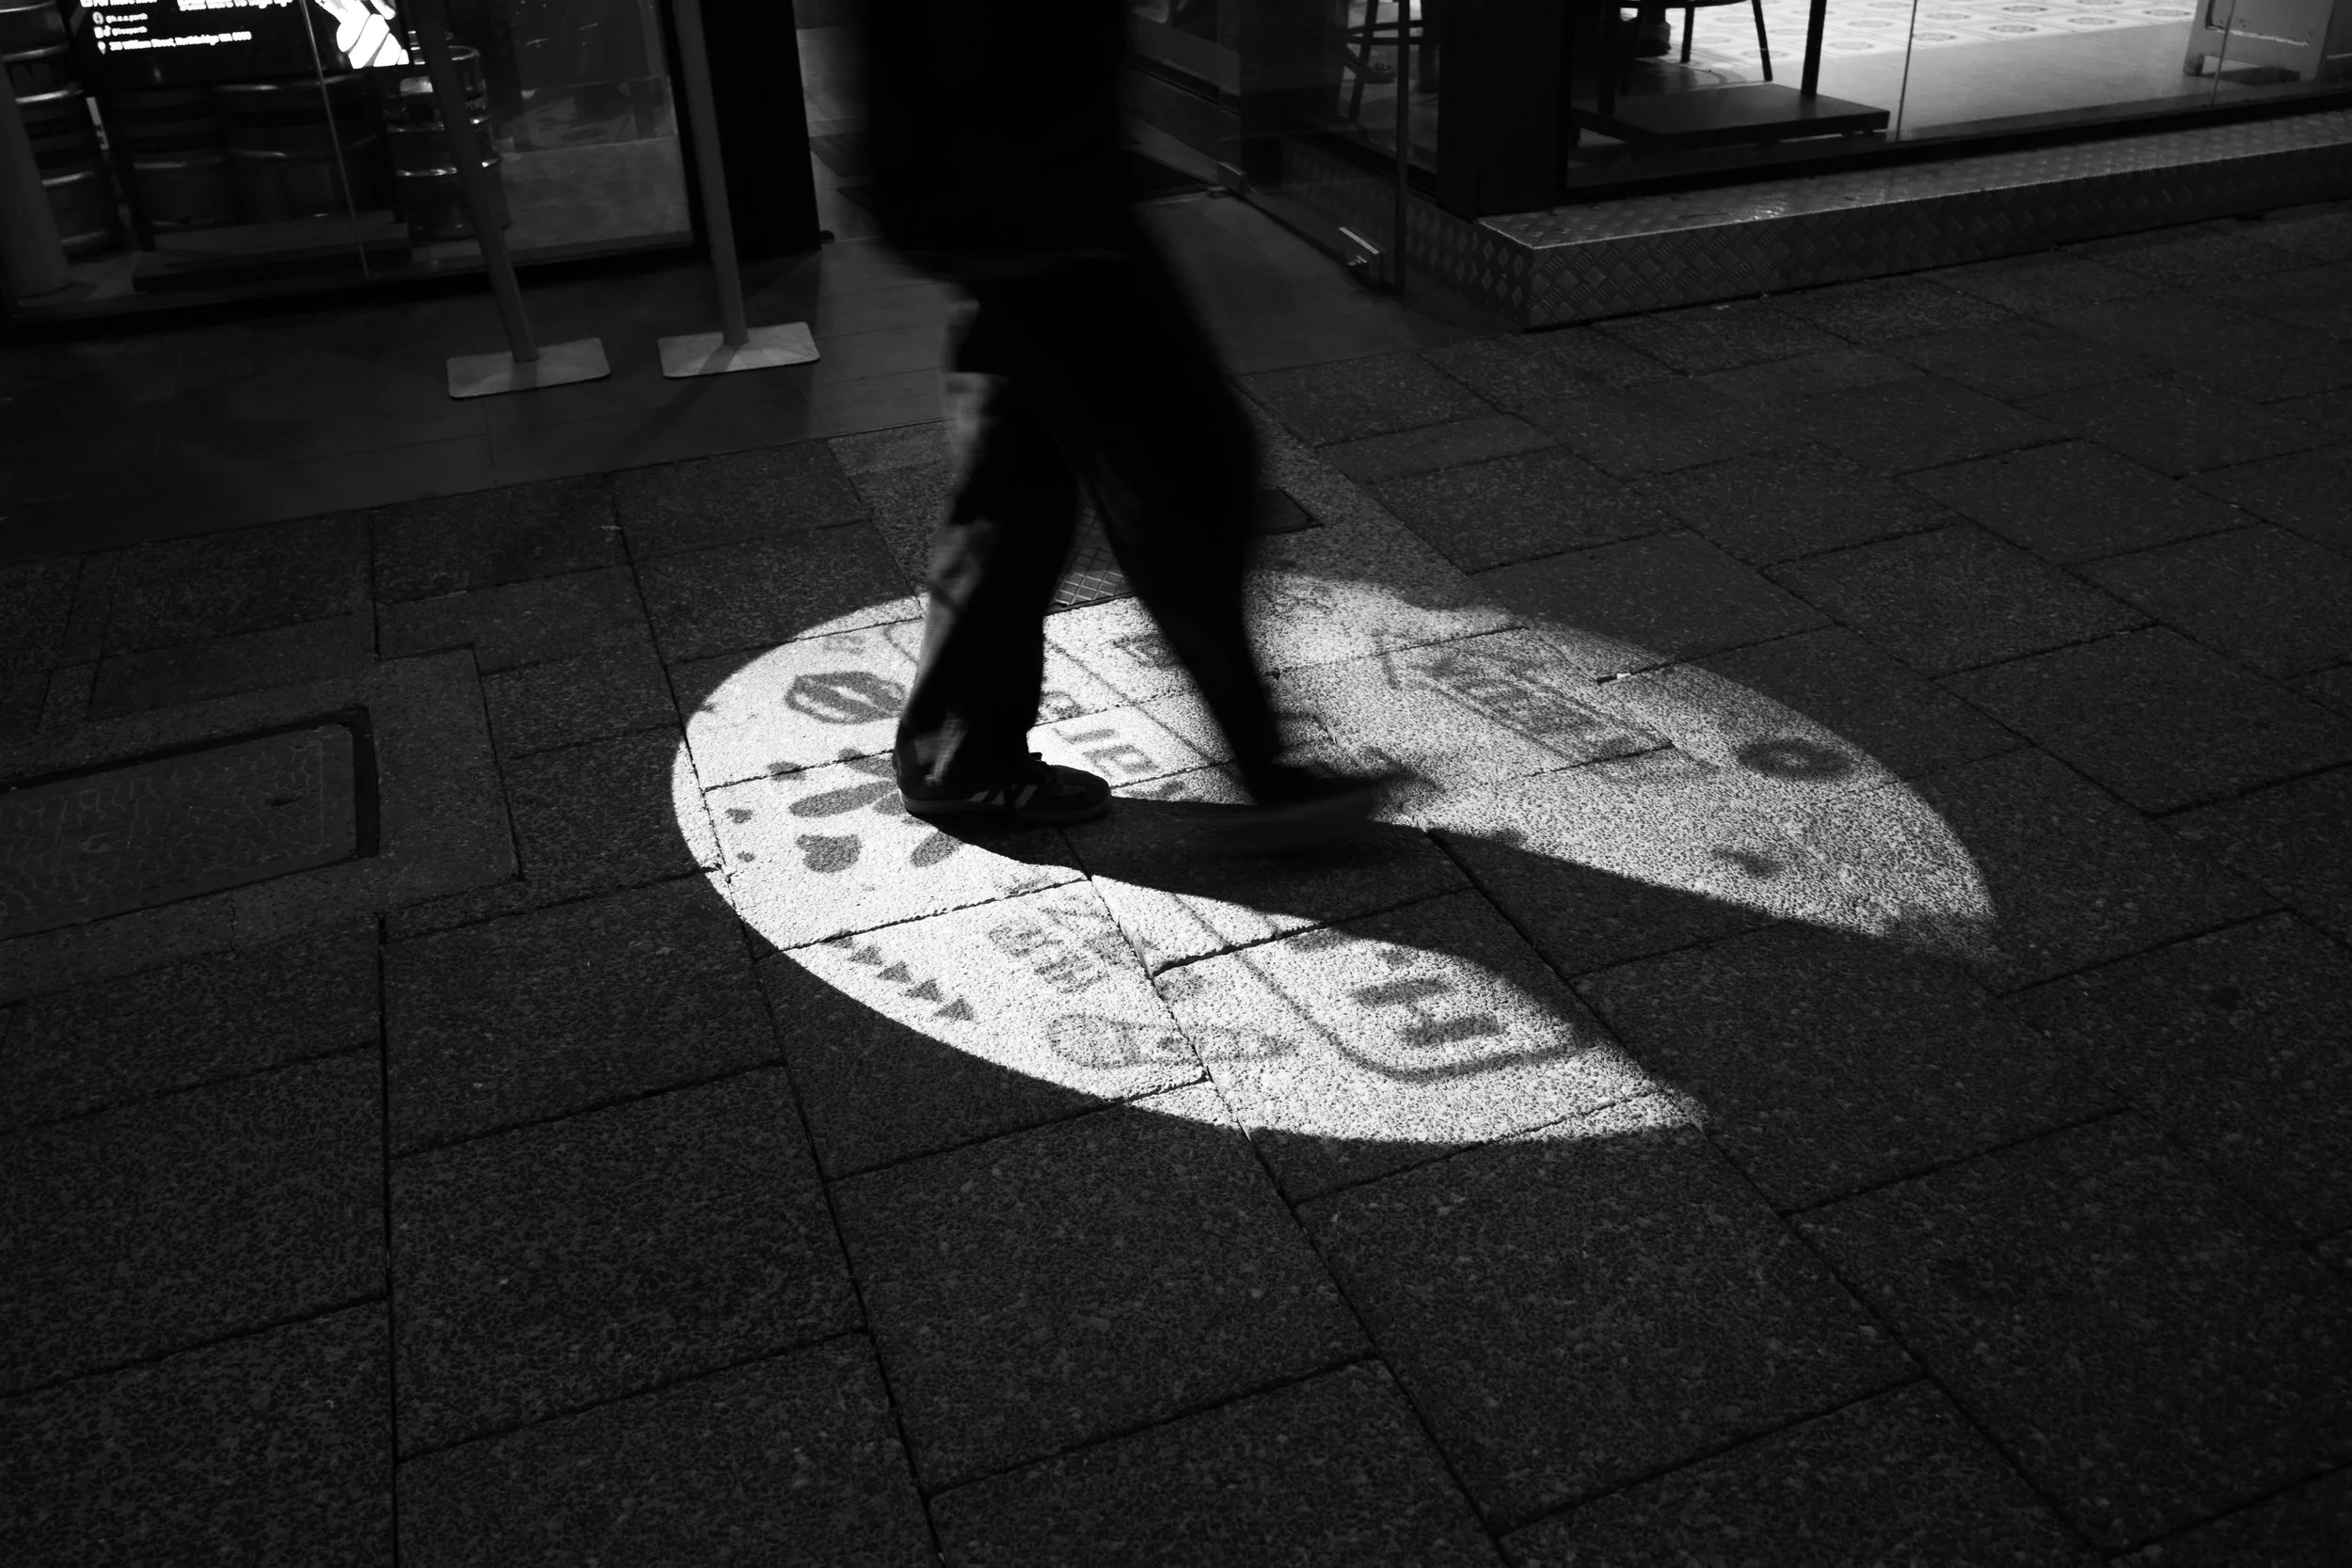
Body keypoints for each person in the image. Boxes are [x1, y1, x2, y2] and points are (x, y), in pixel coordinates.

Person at [858, 0, 1398, 845]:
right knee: (1188, 468)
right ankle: (1269, 776)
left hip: (1009, 199)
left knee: (1017, 484)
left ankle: (960, 753)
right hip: (1043, 201)